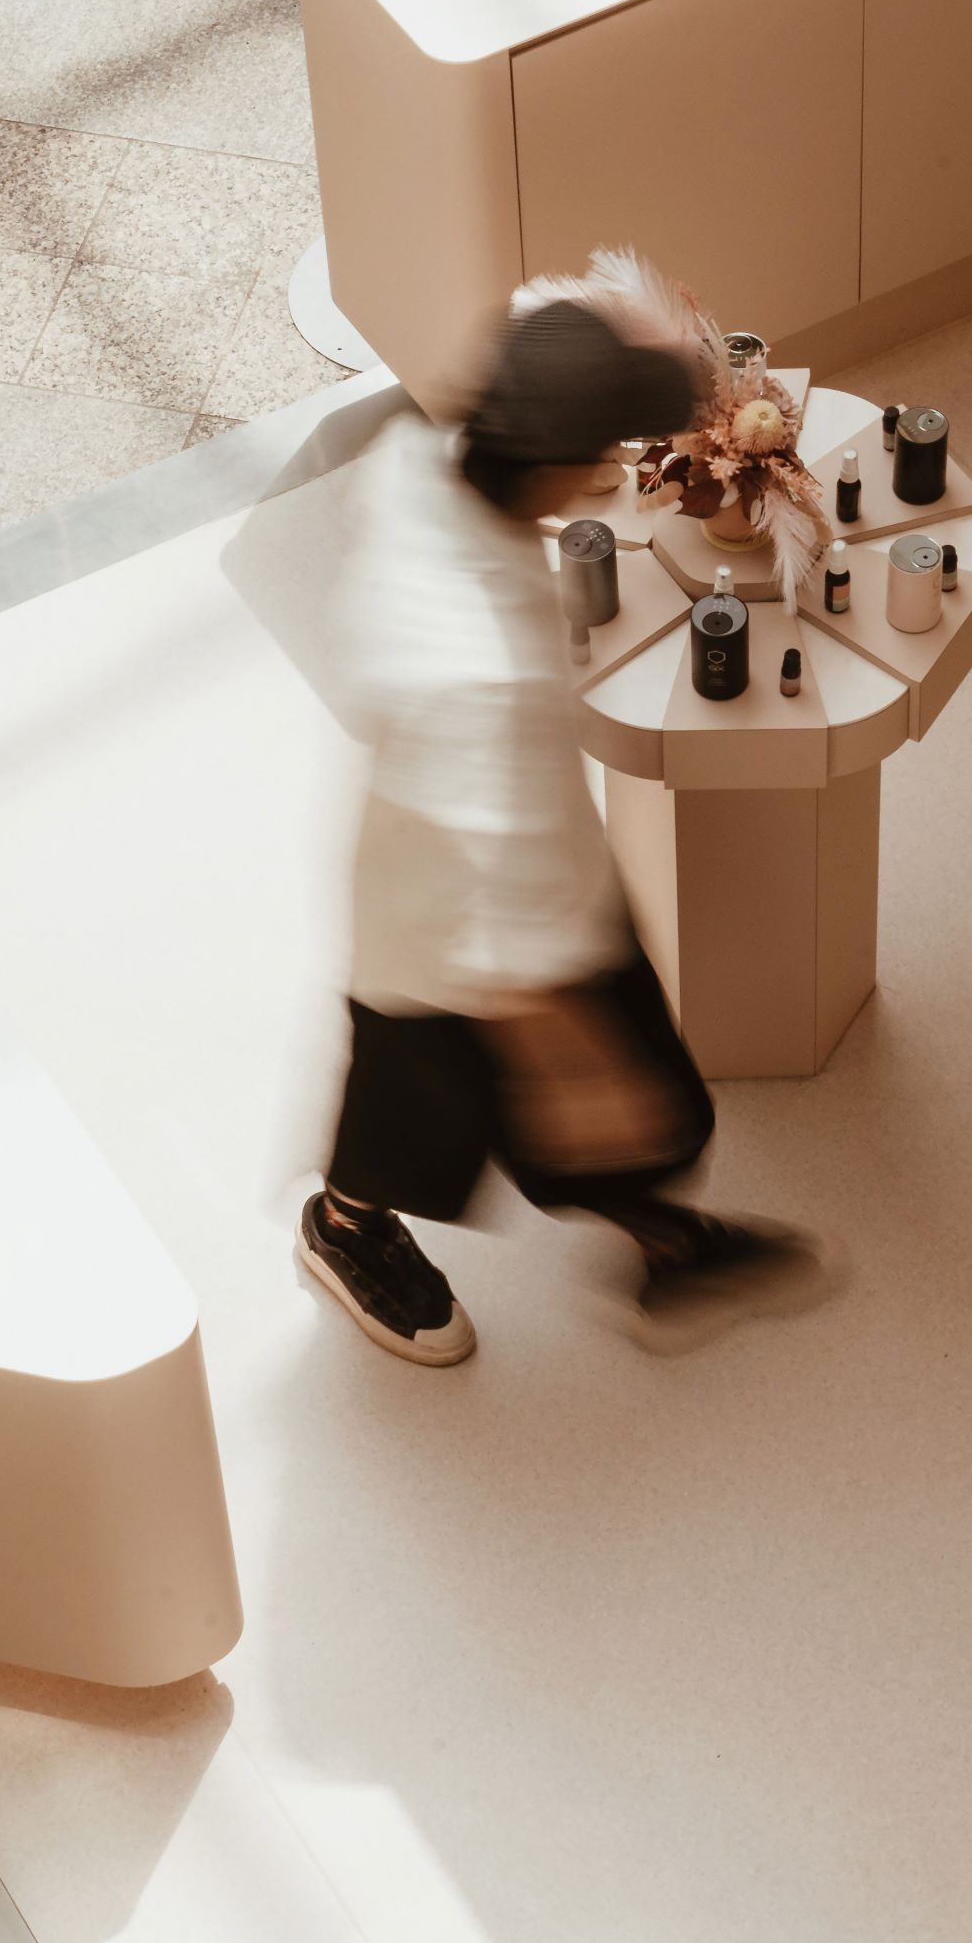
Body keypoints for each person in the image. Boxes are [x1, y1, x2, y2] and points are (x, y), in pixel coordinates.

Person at [299, 282, 802, 1364]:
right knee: (434, 1114)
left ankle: (663, 1241)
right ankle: (343, 1230)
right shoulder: (466, 674)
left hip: (506, 872)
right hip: (455, 934)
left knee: (627, 1105)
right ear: (546, 467)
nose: (616, 470)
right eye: (605, 449)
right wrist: (576, 1068)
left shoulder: (425, 465)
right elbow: (500, 957)